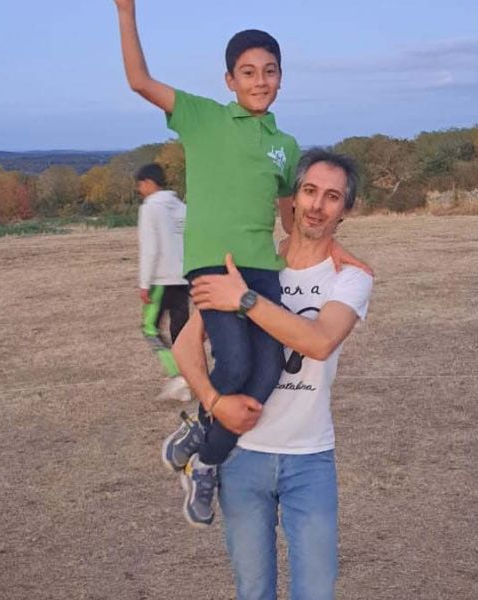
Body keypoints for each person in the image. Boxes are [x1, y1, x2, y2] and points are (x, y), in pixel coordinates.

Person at [114, 0, 368, 525]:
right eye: (248, 72)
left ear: (281, 78)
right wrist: (125, 11)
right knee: (233, 365)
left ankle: (200, 445)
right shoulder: (202, 117)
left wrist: (332, 245)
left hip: (261, 271)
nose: (260, 81)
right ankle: (206, 457)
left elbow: (293, 217)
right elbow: (139, 80)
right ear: (229, 80)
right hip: (214, 267)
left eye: (269, 71)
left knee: (269, 369)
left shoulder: (285, 145)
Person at [173, 149, 374, 599]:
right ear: (291, 198)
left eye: (332, 197)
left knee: (316, 590)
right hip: (243, 456)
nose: (317, 205)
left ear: (345, 209)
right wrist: (213, 401)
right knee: (253, 590)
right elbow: (186, 346)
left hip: (310, 458)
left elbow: (320, 341)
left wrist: (244, 300)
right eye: (309, 191)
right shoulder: (250, 266)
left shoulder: (351, 277)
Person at [135, 163, 190, 402]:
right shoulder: (182, 208)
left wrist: (144, 283)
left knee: (150, 329)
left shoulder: (150, 208)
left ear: (149, 182)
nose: (139, 190)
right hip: (183, 278)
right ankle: (190, 377)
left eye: (140, 184)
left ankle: (178, 375)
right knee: (181, 333)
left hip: (160, 280)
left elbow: (150, 248)